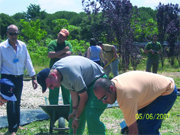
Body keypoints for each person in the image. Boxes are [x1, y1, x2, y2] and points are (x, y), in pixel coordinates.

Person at [37, 56, 107, 135]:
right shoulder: (57, 73)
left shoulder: (72, 75)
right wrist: (74, 110)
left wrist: (77, 117)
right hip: (83, 83)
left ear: (53, 76)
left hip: (98, 81)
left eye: (51, 85)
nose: (52, 88)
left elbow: (84, 97)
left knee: (91, 115)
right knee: (72, 116)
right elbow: (73, 91)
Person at [93, 71, 177, 135]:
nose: (104, 102)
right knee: (129, 127)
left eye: (104, 98)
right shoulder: (113, 84)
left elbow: (133, 132)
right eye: (100, 99)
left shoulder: (126, 96)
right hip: (148, 95)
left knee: (146, 128)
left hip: (166, 92)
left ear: (111, 88)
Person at [0, 24, 38, 135]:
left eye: (16, 33)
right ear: (7, 34)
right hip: (7, 78)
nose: (14, 36)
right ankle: (12, 129)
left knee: (17, 101)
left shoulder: (22, 45)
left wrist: (33, 77)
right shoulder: (2, 47)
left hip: (19, 77)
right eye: (11, 34)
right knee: (11, 102)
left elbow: (28, 61)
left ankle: (17, 124)